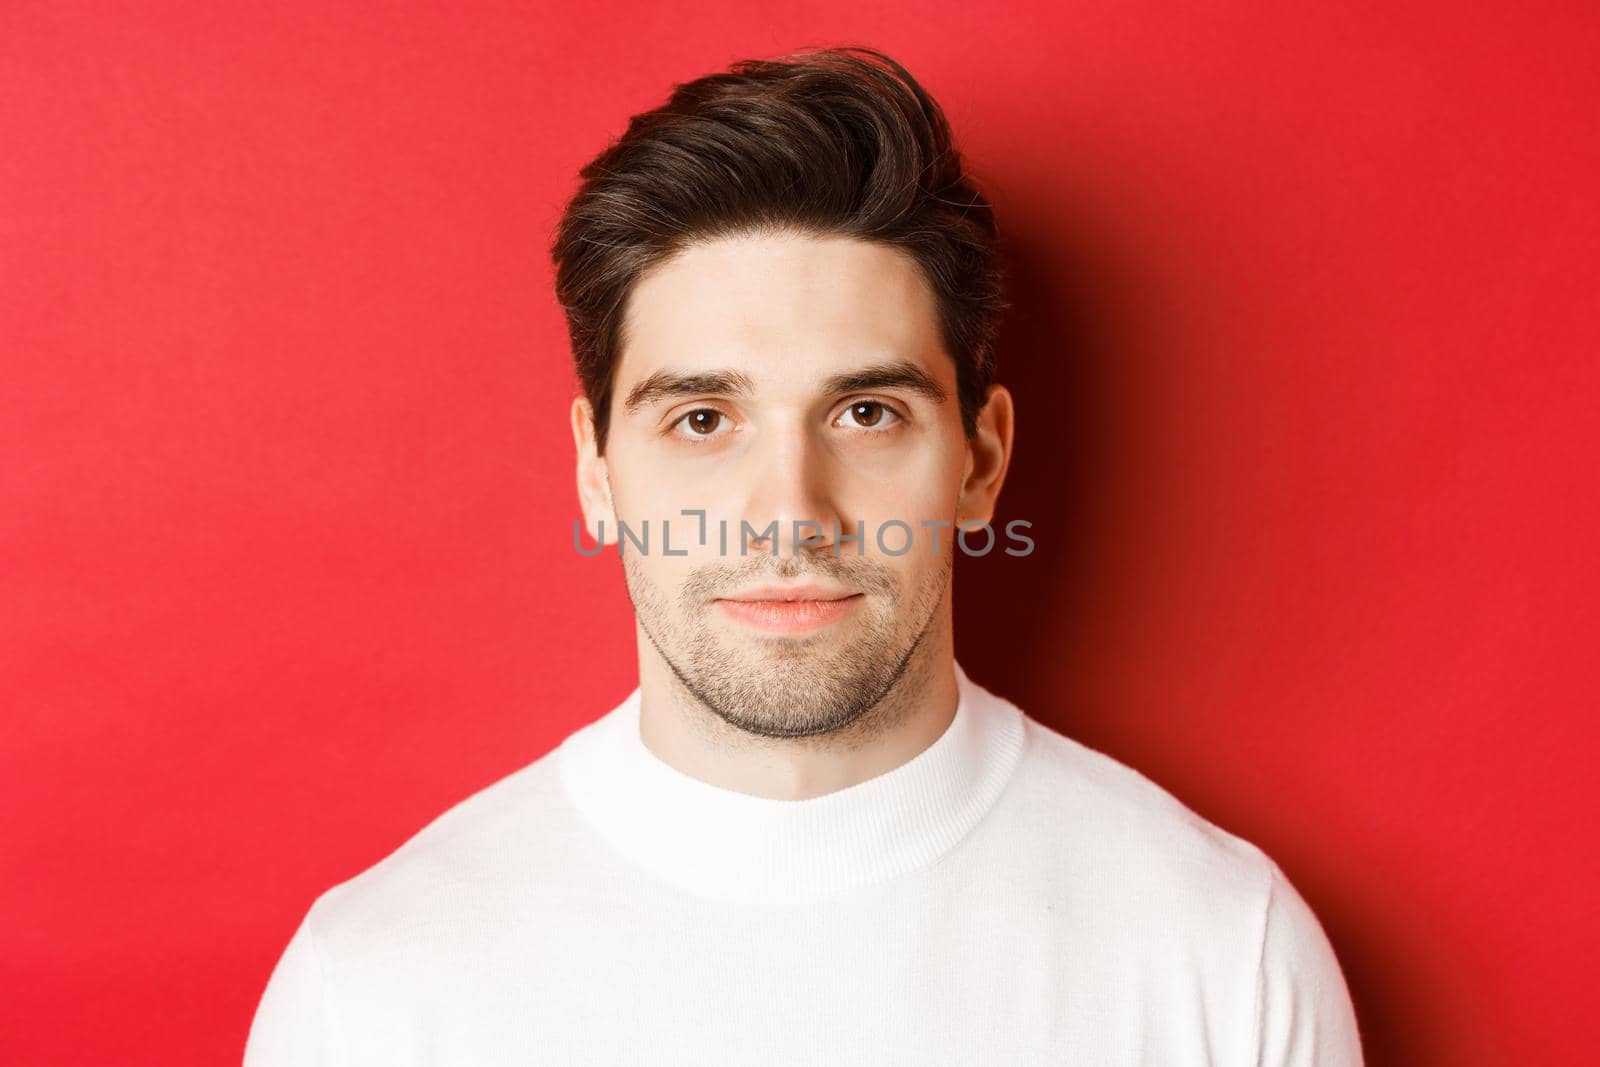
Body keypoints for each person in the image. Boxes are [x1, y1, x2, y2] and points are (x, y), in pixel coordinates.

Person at [244, 45, 1364, 1065]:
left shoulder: (1222, 956)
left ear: (980, 461)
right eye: (701, 419)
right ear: (597, 470)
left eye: (867, 413)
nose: (789, 514)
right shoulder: (376, 990)